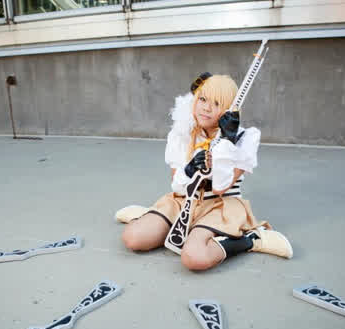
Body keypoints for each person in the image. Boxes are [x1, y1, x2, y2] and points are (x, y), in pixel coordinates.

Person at [121, 73, 292, 270]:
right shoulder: (182, 133)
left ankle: (251, 239)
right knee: (133, 238)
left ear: (229, 110)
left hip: (220, 206)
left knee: (194, 258)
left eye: (217, 103)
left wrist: (227, 142)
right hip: (184, 201)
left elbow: (220, 188)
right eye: (202, 99)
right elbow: (177, 186)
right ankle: (157, 218)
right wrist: (189, 169)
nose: (206, 108)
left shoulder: (244, 139)